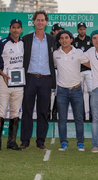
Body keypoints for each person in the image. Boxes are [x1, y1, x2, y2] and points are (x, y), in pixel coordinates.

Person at [20, 10, 56, 150]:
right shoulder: (26, 39)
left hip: (46, 80)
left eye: (43, 20)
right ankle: (25, 141)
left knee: (43, 111)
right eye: (38, 20)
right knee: (27, 111)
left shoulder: (52, 40)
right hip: (29, 78)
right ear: (33, 22)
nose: (40, 22)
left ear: (46, 23)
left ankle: (40, 141)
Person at [54, 30, 90, 151]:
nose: (64, 40)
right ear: (59, 41)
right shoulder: (55, 54)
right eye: (61, 38)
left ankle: (80, 143)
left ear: (71, 40)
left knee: (79, 119)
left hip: (76, 89)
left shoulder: (79, 52)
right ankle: (63, 143)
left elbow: (91, 64)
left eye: (66, 38)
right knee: (62, 119)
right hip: (62, 91)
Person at [0, 19, 24, 151]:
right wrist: (2, 74)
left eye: (18, 27)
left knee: (15, 111)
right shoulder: (3, 43)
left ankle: (12, 142)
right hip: (4, 82)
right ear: (10, 29)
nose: (16, 30)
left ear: (21, 29)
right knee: (1, 111)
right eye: (13, 27)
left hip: (19, 83)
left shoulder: (23, 43)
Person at [74, 22, 93, 122]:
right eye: (80, 29)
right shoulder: (74, 41)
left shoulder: (90, 40)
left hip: (89, 70)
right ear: (77, 30)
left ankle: (91, 116)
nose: (82, 31)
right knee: (79, 94)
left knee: (91, 92)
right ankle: (81, 116)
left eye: (84, 29)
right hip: (78, 71)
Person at [49, 23, 64, 121]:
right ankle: (46, 113)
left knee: (58, 93)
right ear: (53, 31)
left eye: (61, 30)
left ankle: (54, 113)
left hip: (60, 70)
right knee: (48, 94)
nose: (60, 33)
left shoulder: (63, 42)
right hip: (49, 70)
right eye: (58, 31)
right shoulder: (48, 40)